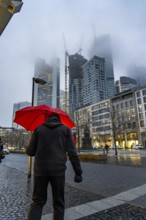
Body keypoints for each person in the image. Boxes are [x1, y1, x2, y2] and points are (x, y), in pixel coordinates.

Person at [26, 113, 83, 220]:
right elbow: (72, 153)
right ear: (59, 119)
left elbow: (30, 151)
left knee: (37, 202)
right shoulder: (65, 130)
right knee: (58, 203)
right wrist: (78, 172)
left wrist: (34, 139)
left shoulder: (38, 129)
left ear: (47, 119)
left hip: (40, 171)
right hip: (58, 171)